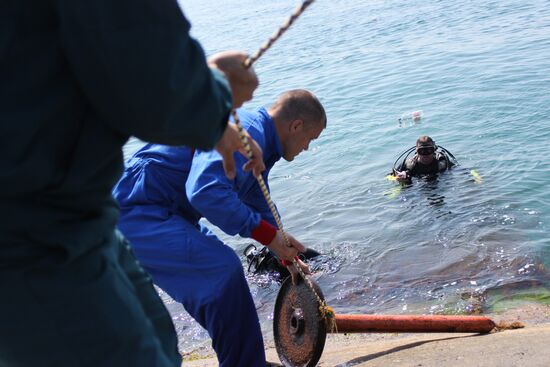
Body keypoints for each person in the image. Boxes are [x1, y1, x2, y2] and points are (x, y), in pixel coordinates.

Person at [1, 2, 264, 367]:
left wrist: (213, 120)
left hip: (84, 213)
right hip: (33, 230)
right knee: (218, 276)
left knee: (158, 337)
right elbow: (154, 87)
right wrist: (216, 84)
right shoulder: (258, 129)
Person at [113, 89, 327, 367]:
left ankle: (247, 362)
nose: (306, 148)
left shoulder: (261, 140)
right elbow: (205, 191)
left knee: (222, 272)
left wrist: (285, 253)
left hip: (164, 213)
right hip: (135, 210)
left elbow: (257, 200)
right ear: (296, 126)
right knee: (222, 271)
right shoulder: (249, 131)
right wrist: (268, 235)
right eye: (310, 139)